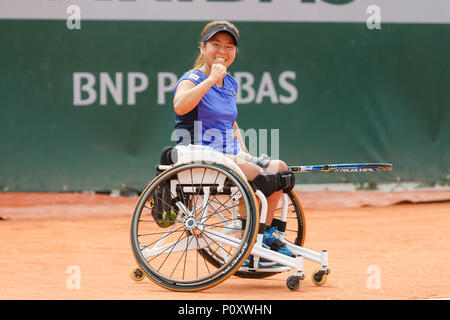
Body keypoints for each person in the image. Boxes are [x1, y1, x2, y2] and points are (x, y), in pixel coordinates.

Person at [172, 20, 295, 267]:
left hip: (227, 154)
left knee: (279, 168)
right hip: (197, 152)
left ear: (235, 51)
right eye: (216, 44)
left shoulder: (230, 83)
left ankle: (266, 234)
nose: (222, 51)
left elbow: (232, 122)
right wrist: (209, 80)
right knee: (256, 174)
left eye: (229, 46)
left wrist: (245, 152)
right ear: (203, 47)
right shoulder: (192, 78)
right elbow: (180, 105)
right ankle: (248, 245)